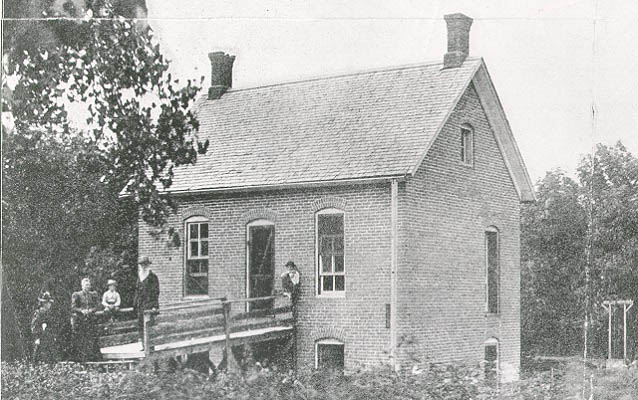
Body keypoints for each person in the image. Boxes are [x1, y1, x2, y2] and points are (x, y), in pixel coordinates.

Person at [71, 277, 101, 361]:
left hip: (91, 319)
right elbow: (73, 307)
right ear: (82, 285)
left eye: (89, 285)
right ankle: (82, 358)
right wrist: (81, 311)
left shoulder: (93, 294)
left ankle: (93, 357)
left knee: (92, 338)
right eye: (86, 285)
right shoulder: (77, 295)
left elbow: (97, 306)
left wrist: (91, 310)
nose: (88, 286)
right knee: (82, 339)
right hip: (81, 320)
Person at [134, 256, 160, 343]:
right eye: (141, 265)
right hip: (140, 305)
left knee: (149, 325)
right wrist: (135, 304)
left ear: (148, 265)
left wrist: (154, 306)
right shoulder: (139, 277)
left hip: (149, 304)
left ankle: (150, 346)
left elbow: (156, 292)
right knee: (140, 325)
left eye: (145, 265)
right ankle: (142, 345)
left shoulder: (153, 277)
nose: (143, 267)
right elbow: (137, 292)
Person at [31, 291, 57, 362]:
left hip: (49, 337)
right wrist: (37, 336)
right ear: (44, 303)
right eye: (48, 303)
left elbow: (52, 324)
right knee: (39, 354)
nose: (50, 305)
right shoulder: (39, 313)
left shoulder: (49, 313)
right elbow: (34, 325)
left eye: (50, 303)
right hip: (41, 337)